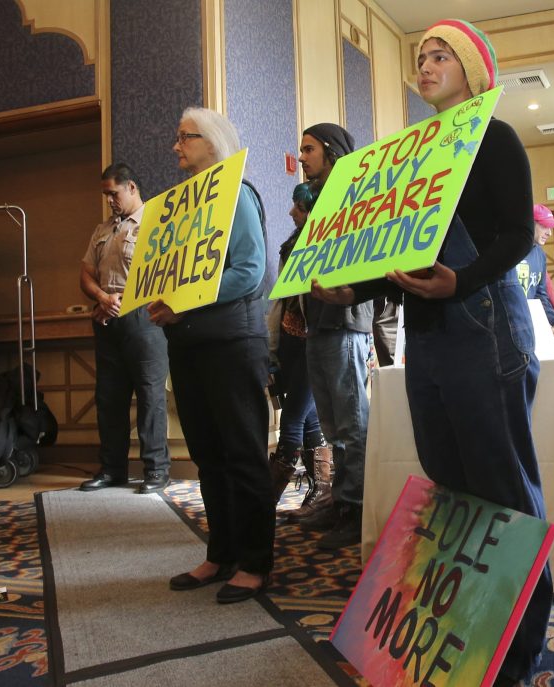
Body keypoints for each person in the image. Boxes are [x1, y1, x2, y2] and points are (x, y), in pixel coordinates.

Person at [313, 19, 552, 686]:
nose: (425, 64)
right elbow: (398, 252)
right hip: (427, 334)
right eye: (421, 56)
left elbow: (517, 235)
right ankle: (471, 639)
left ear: (472, 70)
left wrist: (463, 280)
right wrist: (351, 290)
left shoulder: (495, 137)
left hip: (485, 323)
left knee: (504, 490)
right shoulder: (412, 154)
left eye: (440, 54)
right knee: (450, 488)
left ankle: (519, 653)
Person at [148, 107, 274, 603]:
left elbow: (250, 271)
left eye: (185, 137)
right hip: (189, 343)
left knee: (242, 453)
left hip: (231, 342)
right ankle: (220, 555)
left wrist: (183, 300)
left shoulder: (237, 194)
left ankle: (255, 563)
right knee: (207, 456)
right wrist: (162, 299)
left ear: (213, 141)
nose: (176, 146)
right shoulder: (185, 206)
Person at [296, 123, 374, 550]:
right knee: (331, 424)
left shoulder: (353, 197)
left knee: (352, 423)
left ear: (331, 151)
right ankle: (341, 499)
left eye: (309, 149)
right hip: (318, 322)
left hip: (345, 321)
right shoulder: (317, 201)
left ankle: (357, 509)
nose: (302, 157)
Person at [79, 163, 170, 494]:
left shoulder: (156, 223)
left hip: (145, 320)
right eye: (105, 195)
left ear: (131, 187)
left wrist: (127, 298)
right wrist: (102, 297)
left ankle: (156, 470)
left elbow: (167, 273)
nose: (109, 201)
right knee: (109, 398)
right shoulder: (102, 230)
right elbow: (86, 274)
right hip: (107, 321)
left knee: (150, 396)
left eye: (113, 193)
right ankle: (112, 470)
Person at [267, 182, 332, 515]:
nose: (292, 211)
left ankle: (266, 499)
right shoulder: (290, 245)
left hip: (310, 338)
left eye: (300, 207)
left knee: (293, 418)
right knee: (308, 419)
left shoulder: (323, 243)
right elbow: (282, 298)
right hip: (289, 340)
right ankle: (321, 491)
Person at [516, 203, 554, 330]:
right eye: (544, 226)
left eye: (550, 228)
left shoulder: (540, 254)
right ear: (529, 223)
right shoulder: (510, 251)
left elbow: (540, 295)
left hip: (528, 325)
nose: (549, 233)